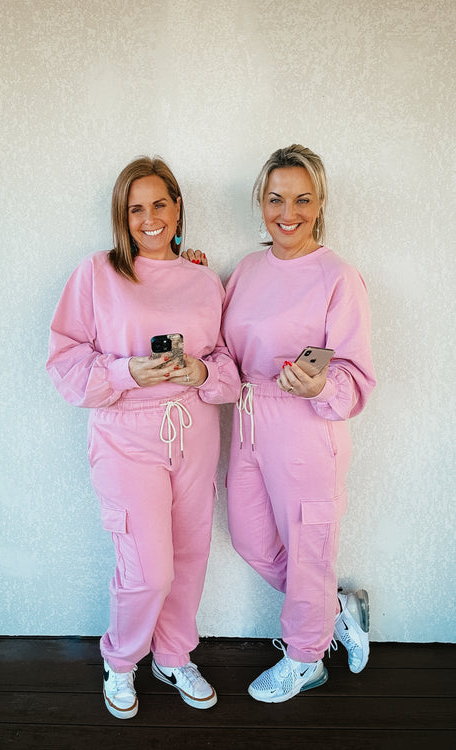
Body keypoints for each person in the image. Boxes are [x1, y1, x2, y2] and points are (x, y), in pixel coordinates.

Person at [46, 156, 241, 719]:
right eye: (136, 209)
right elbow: (64, 363)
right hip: (125, 438)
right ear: (122, 216)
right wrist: (128, 372)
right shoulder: (97, 273)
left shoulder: (204, 280)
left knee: (189, 555)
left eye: (160, 204)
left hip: (193, 433)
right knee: (148, 569)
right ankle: (122, 659)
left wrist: (200, 372)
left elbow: (227, 366)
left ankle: (174, 656)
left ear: (178, 207)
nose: (149, 218)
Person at [184, 144, 376, 702]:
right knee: (252, 540)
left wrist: (320, 386)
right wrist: (192, 277)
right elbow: (218, 342)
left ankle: (306, 658)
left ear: (319, 204)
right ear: (260, 202)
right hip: (248, 423)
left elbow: (356, 375)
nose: (287, 213)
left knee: (309, 546)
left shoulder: (339, 277)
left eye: (302, 200)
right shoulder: (247, 269)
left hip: (307, 428)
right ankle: (334, 608)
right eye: (275, 199)